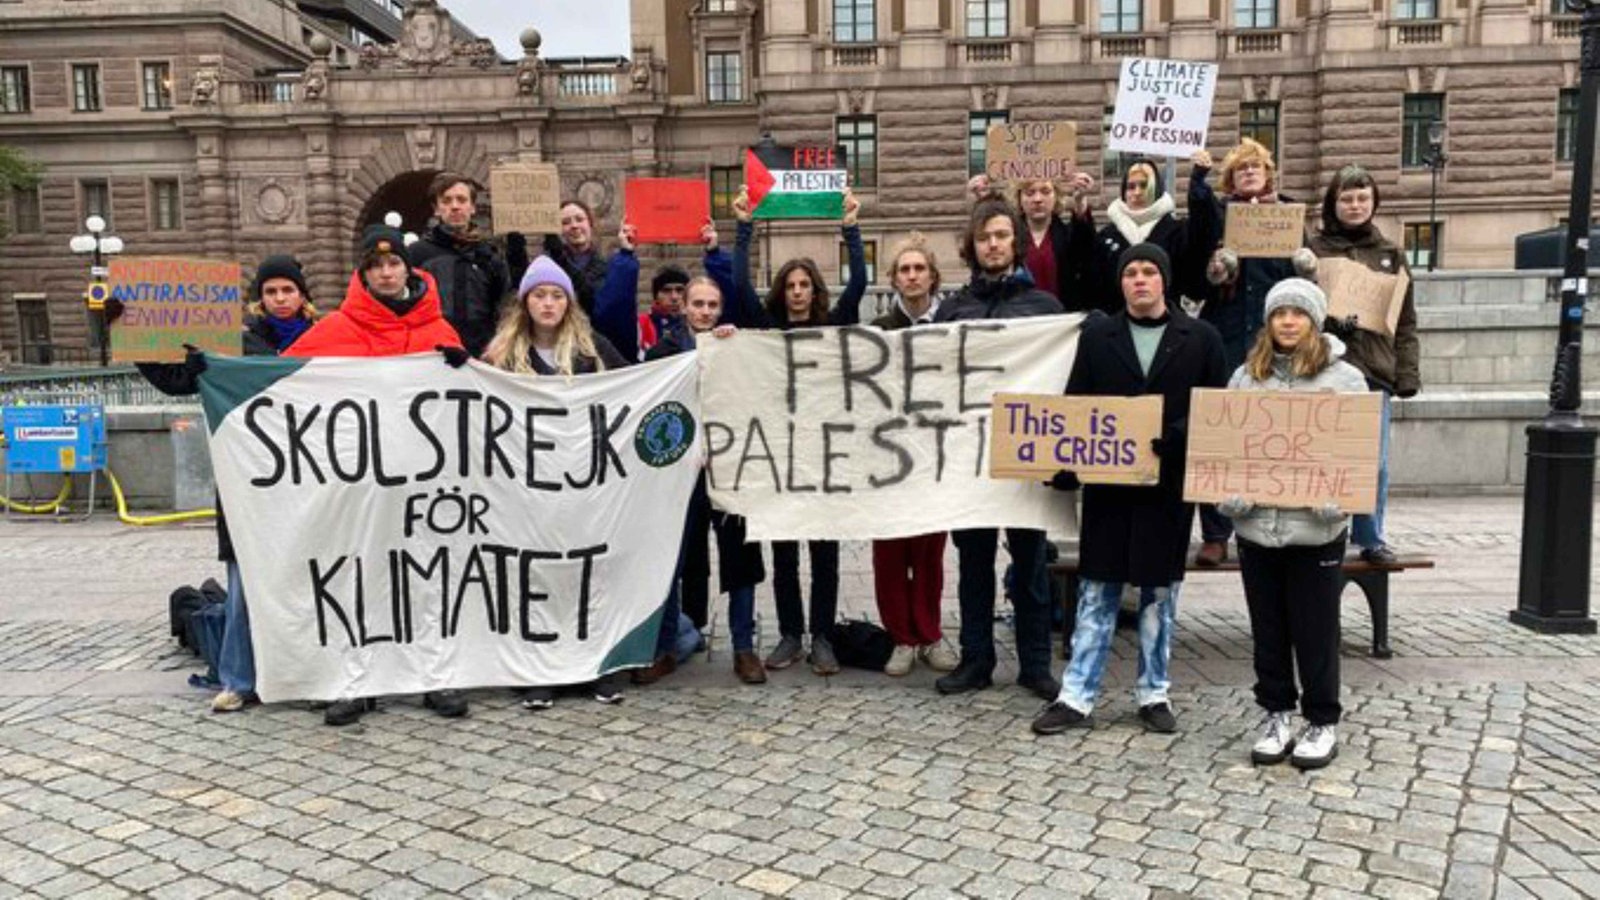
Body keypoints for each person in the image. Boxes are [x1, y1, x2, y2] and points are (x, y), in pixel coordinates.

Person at [1032, 243, 1229, 736]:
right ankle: (1076, 695)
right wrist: (1067, 464)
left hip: (1166, 487)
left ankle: (1153, 691)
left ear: (1164, 280)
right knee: (1097, 591)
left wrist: (1179, 436)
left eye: (1148, 272)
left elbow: (1218, 407)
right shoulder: (1099, 336)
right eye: (1131, 273)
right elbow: (1077, 406)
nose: (1139, 280)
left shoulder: (1201, 338)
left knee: (1160, 595)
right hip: (1110, 488)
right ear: (1121, 283)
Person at [283, 226, 471, 725]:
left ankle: (434, 677)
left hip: (424, 488)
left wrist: (464, 367)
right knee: (357, 582)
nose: (387, 273)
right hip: (359, 487)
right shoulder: (335, 330)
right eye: (376, 266)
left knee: (429, 582)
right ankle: (355, 681)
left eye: (393, 264)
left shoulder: (440, 331)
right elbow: (274, 384)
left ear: (408, 269)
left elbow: (473, 405)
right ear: (363, 273)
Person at [132, 254, 319, 714]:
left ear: (303, 297)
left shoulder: (326, 343)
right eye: (271, 291)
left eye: (288, 290)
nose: (280, 299)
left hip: (312, 481)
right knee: (242, 586)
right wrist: (134, 339)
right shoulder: (231, 345)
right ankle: (240, 677)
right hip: (250, 482)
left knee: (310, 584)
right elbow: (177, 382)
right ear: (260, 298)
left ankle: (313, 675)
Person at [1220, 278, 1369, 769]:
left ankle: (1322, 719)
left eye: (1298, 313)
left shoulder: (1345, 380)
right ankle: (1276, 712)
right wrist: (1229, 493)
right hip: (1257, 526)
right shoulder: (1245, 377)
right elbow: (1227, 449)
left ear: (1315, 320)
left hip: (1316, 530)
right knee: (1268, 628)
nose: (1288, 321)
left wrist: (1340, 498)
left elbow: (1361, 452)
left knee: (1316, 629)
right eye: (1279, 313)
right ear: (1268, 321)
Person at [731, 185, 867, 676]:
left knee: (825, 555)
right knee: (784, 553)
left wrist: (851, 230)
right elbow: (739, 288)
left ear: (814, 290)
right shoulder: (766, 329)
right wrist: (744, 227)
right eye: (790, 285)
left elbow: (858, 288)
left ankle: (823, 636)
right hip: (781, 457)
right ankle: (791, 634)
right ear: (782, 292)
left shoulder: (833, 328)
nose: (796, 292)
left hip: (824, 455)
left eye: (804, 285)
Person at [932, 196, 1064, 700]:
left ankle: (1035, 665)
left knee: (1030, 565)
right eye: (985, 237)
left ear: (1016, 243)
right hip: (971, 457)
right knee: (973, 564)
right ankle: (976, 660)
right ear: (973, 244)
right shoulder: (953, 311)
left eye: (1002, 236)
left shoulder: (1045, 309)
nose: (993, 245)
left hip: (1027, 458)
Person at [483, 256, 630, 706]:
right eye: (540, 295)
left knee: (587, 573)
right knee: (537, 574)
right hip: (528, 489)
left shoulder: (593, 350)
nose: (548, 304)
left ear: (568, 302)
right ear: (525, 302)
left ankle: (593, 665)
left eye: (556, 295)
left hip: (584, 485)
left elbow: (634, 388)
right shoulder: (502, 355)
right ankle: (537, 670)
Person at [1188, 138, 1318, 567]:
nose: (1248, 174)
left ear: (1268, 173)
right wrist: (1199, 181)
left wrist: (1306, 264)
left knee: (1270, 437)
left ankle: (1265, 522)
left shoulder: (1287, 216)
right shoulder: (1222, 215)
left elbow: (1306, 285)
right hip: (1226, 334)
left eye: (1255, 167)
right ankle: (1215, 532)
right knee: (1219, 433)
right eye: (1241, 169)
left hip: (1271, 341)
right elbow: (1200, 231)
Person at [639, 276, 771, 685]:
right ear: (684, 307)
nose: (705, 311)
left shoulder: (733, 346)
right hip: (680, 474)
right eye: (698, 303)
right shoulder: (662, 352)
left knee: (740, 561)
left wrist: (735, 348)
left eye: (713, 304)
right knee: (671, 561)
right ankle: (662, 649)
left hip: (728, 468)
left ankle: (744, 648)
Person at [1309, 164, 1421, 565]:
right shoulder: (1313, 249)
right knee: (1323, 456)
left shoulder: (1391, 253)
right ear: (1333, 203)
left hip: (1374, 369)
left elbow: (1406, 320)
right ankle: (1324, 532)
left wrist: (1406, 374)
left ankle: (1370, 536)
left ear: (1373, 203)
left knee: (1375, 463)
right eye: (1347, 198)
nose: (1355, 206)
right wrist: (1326, 322)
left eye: (1362, 198)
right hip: (1324, 366)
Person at [868, 233, 959, 676]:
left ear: (932, 276)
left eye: (918, 268)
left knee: (928, 553)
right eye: (903, 270)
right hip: (887, 458)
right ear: (894, 279)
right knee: (889, 553)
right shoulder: (879, 330)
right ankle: (901, 638)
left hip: (935, 457)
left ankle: (930, 633)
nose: (911, 276)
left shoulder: (956, 324)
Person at [591, 219, 736, 363]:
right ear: (685, 306)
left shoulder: (726, 336)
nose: (674, 297)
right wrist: (626, 254)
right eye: (666, 291)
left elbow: (735, 294)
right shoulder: (642, 328)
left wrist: (714, 252)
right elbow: (616, 309)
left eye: (680, 290)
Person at [1088, 154, 1212, 311]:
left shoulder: (1177, 231)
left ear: (1157, 189)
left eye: (1144, 185)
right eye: (1131, 187)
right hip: (1116, 327)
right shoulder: (1107, 236)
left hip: (1168, 324)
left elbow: (1199, 251)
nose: (1137, 192)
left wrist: (1198, 182)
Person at [409, 172, 512, 358]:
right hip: (432, 355)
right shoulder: (417, 254)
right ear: (436, 209)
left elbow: (505, 307)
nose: (454, 206)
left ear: (472, 207)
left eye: (461, 200)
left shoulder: (490, 255)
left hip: (482, 357)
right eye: (446, 201)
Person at [968, 172, 1099, 311]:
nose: (1037, 199)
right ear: (1019, 198)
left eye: (1045, 191)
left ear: (1056, 196)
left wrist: (1080, 201)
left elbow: (1087, 248)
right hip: (1017, 318)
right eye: (1030, 193)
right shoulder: (1008, 237)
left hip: (1061, 319)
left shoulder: (1069, 236)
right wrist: (982, 201)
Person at [541, 199, 609, 315]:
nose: (574, 226)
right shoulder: (547, 264)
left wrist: (560, 258)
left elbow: (590, 298)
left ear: (590, 224)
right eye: (566, 222)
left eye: (579, 219)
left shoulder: (607, 266)